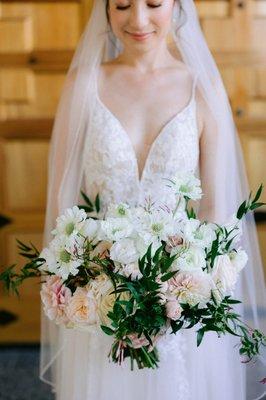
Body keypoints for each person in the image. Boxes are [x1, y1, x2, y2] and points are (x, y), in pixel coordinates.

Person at [40, 0, 266, 399]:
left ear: (177, 5)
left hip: (180, 292)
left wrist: (191, 283)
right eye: (123, 5)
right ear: (106, 11)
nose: (138, 20)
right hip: (103, 292)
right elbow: (63, 196)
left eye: (154, 3)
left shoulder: (203, 86)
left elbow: (215, 205)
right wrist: (83, 277)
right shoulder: (84, 83)